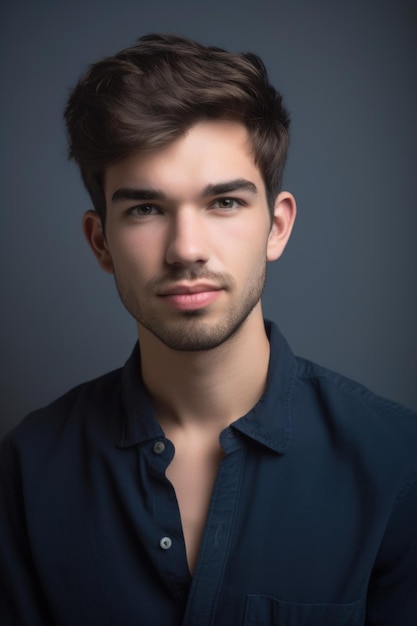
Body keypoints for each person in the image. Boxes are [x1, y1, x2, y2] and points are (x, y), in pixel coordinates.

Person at [1, 33, 416, 626]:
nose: (186, 250)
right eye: (146, 209)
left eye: (223, 203)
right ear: (101, 242)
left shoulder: (397, 464)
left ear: (276, 226)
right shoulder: (31, 467)